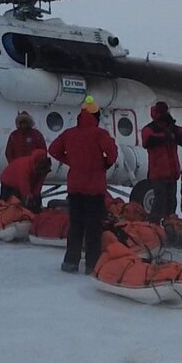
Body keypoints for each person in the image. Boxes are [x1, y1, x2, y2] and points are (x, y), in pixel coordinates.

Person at [48, 109, 118, 274]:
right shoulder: (100, 134)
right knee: (94, 227)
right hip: (94, 188)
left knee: (76, 225)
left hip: (75, 187)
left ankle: (70, 262)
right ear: (96, 118)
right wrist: (104, 163)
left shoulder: (69, 134)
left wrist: (71, 160)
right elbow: (113, 154)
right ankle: (92, 264)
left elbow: (53, 149)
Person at [141, 101, 182, 222]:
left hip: (167, 173)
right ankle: (158, 226)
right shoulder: (153, 129)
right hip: (162, 173)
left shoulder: (156, 129)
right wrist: (168, 135)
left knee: (169, 203)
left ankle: (161, 227)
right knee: (161, 202)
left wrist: (170, 132)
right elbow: (147, 141)